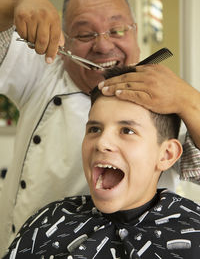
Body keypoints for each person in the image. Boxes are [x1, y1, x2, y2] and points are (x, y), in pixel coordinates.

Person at [0, 0, 200, 257]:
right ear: (64, 41)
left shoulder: (170, 102)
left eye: (117, 30)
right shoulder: (41, 71)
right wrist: (15, 3)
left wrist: (191, 102)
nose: (104, 46)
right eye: (84, 35)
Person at [3, 66, 200, 259]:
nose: (101, 142)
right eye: (94, 129)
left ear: (166, 155)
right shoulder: (48, 221)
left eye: (127, 131)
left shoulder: (193, 231)